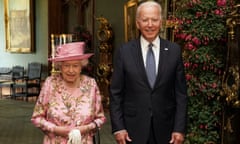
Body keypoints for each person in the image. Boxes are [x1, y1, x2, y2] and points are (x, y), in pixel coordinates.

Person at [109, 1, 188, 144]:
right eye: (145, 20)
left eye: (154, 20)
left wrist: (179, 128)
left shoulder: (174, 51)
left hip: (167, 130)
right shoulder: (124, 51)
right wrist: (118, 127)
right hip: (132, 130)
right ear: (138, 23)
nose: (150, 24)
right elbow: (116, 93)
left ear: (161, 22)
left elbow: (181, 94)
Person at [31, 42, 106, 144]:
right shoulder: (50, 84)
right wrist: (55, 129)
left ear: (81, 67)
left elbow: (100, 119)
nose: (71, 70)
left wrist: (85, 128)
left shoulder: (91, 84)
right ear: (60, 67)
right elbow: (37, 118)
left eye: (75, 66)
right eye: (66, 65)